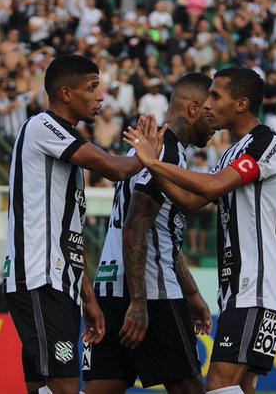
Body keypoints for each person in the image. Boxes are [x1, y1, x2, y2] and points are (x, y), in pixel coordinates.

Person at [123, 68, 276, 394]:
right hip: (241, 288)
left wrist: (155, 163)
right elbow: (190, 202)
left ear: (242, 104)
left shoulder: (266, 143)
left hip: (259, 284)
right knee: (242, 386)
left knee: (217, 385)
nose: (208, 104)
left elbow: (215, 184)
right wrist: (155, 164)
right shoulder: (232, 153)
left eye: (216, 96)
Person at [2, 55, 160, 394]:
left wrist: (87, 296)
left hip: (59, 280)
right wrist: (146, 155)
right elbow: (115, 169)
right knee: (65, 386)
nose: (101, 96)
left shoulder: (65, 147)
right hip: (38, 276)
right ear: (66, 93)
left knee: (42, 386)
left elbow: (70, 235)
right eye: (92, 88)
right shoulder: (42, 126)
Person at [83, 73, 215, 394]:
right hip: (151, 293)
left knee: (106, 385)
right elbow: (136, 226)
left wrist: (193, 294)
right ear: (194, 108)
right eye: (210, 113)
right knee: (189, 386)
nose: (216, 123)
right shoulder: (165, 152)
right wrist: (140, 302)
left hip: (112, 289)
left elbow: (162, 235)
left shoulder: (146, 148)